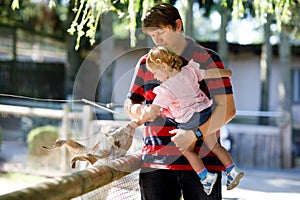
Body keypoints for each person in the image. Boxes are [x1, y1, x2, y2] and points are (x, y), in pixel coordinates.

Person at [124, 3, 237, 200]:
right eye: (152, 35)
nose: (157, 40)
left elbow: (228, 110)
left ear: (178, 25)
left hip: (204, 162)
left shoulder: (208, 59)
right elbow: (129, 104)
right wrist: (140, 111)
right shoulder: (146, 63)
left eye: (160, 32)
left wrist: (195, 133)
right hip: (155, 165)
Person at [133, 45, 243, 195]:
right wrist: (226, 73)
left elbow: (154, 111)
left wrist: (137, 121)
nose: (156, 77)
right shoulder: (189, 71)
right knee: (213, 145)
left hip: (190, 119)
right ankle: (232, 169)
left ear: (163, 65)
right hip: (206, 112)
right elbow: (209, 74)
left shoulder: (165, 89)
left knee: (187, 150)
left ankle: (205, 177)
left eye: (156, 73)